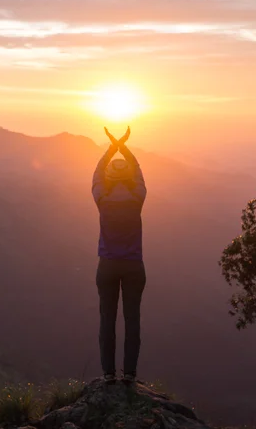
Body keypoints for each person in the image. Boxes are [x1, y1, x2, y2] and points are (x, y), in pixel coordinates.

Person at [92, 126, 147, 385]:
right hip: (134, 266)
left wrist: (111, 148)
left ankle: (108, 373)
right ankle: (130, 375)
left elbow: (96, 176)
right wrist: (124, 147)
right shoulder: (137, 197)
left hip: (107, 266)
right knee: (132, 319)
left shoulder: (102, 197)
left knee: (107, 319)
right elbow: (138, 172)